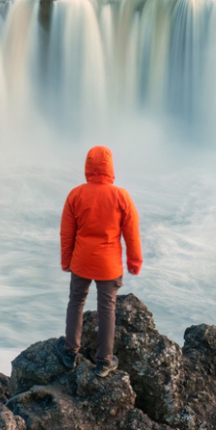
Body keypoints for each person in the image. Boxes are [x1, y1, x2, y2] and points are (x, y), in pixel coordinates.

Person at [59, 145, 142, 371]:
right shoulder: (121, 196)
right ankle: (104, 361)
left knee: (76, 302)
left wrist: (66, 261)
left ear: (88, 167)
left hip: (81, 261)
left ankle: (70, 352)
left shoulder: (75, 194)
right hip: (109, 264)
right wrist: (134, 262)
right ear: (110, 168)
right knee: (107, 309)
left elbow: (67, 234)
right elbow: (131, 234)